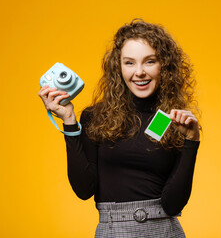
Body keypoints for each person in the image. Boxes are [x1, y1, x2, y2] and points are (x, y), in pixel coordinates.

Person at [38, 19, 200, 238]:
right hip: (113, 231)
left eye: (150, 61)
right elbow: (84, 190)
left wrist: (191, 142)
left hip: (164, 231)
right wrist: (69, 122)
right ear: (118, 67)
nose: (140, 72)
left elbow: (173, 205)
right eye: (130, 62)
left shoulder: (173, 121)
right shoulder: (96, 118)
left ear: (165, 66)